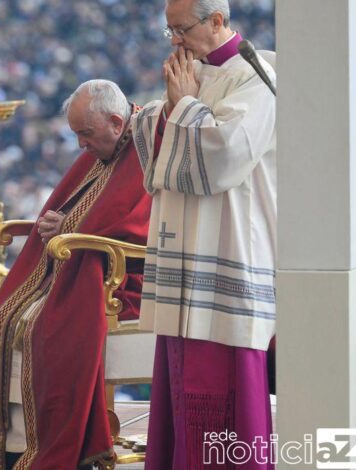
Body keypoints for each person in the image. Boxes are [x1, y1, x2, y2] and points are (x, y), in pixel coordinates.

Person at [0, 80, 152, 470]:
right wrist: (64, 225)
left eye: (85, 134)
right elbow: (83, 209)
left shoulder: (144, 146)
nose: (80, 146)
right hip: (77, 265)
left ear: (114, 121)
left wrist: (71, 228)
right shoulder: (107, 143)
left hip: (120, 282)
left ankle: (50, 448)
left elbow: (138, 225)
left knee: (46, 326)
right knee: (8, 316)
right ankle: (10, 448)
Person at [131, 0, 276, 468]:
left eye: (182, 29)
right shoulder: (191, 74)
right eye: (168, 31)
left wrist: (184, 105)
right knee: (181, 374)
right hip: (185, 257)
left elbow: (225, 155)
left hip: (230, 248)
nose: (174, 41)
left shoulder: (258, 73)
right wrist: (171, 107)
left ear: (217, 21)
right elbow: (157, 141)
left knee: (228, 383)